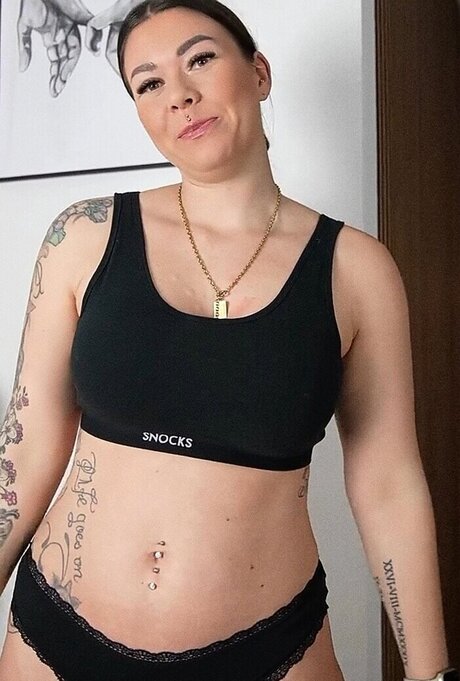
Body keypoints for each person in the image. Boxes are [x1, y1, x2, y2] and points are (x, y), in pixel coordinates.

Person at [0, 1, 455, 679]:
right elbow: (26, 449)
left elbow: (388, 483)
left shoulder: (358, 270)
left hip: (268, 651)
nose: (179, 94)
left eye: (201, 59)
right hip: (55, 640)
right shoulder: (83, 236)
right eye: (149, 83)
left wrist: (431, 675)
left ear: (259, 73)